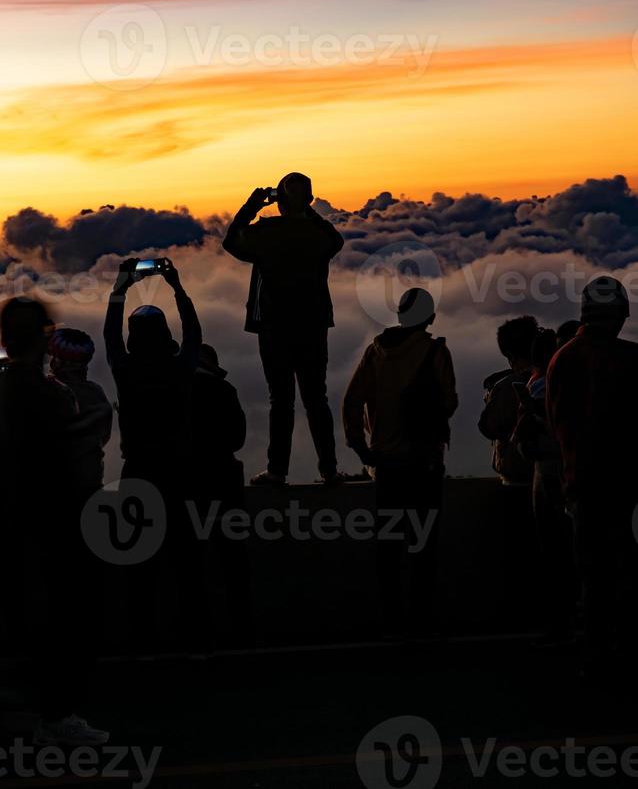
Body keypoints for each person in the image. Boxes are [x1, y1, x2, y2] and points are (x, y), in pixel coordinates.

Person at [0, 297, 108, 746]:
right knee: (57, 626)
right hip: (46, 526)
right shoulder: (46, 395)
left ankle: (33, 711)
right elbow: (56, 465)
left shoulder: (3, 388)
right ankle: (54, 717)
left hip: (11, 524)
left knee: (25, 621)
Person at [342, 288, 458, 636]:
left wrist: (360, 447)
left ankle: (392, 621)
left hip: (386, 466)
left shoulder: (375, 352)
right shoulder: (435, 351)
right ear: (429, 317)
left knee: (389, 549)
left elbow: (351, 401)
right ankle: (421, 622)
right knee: (424, 549)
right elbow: (449, 402)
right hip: (424, 464)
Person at [103, 257, 203, 651]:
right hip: (180, 470)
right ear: (165, 335)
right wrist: (177, 287)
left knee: (140, 559)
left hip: (139, 470)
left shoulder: (124, 371)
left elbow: (109, 335)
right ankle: (190, 636)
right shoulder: (181, 369)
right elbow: (194, 333)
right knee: (185, 558)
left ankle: (142, 636)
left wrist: (119, 289)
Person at [223, 173, 344, 485]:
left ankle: (277, 471)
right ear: (308, 200)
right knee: (317, 399)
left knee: (281, 401)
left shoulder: (267, 232)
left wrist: (251, 206)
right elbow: (336, 240)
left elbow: (231, 241)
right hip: (313, 327)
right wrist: (308, 209)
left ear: (280, 202)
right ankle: (329, 469)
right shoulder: (317, 236)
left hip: (274, 328)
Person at [547, 276, 638, 682]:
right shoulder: (630, 359)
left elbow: (557, 423)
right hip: (624, 484)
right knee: (623, 571)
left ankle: (597, 656)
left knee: (593, 574)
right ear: (620, 314)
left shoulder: (561, 359)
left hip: (579, 481)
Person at [512, 328, 577, 646]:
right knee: (567, 551)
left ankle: (562, 623)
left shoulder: (538, 383)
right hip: (565, 470)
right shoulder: (558, 378)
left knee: (555, 552)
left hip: (549, 471)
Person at [188, 344, 253, 648]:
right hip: (226, 483)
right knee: (234, 566)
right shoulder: (225, 391)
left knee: (194, 569)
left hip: (191, 485)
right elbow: (238, 438)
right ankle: (243, 632)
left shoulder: (178, 393)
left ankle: (201, 634)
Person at [48, 328, 113, 498]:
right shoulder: (97, 395)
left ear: (58, 361)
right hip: (91, 487)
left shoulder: (46, 391)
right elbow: (104, 437)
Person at [479, 316, 539, 487]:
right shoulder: (552, 377)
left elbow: (488, 427)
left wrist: (491, 400)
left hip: (516, 475)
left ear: (510, 355)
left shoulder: (506, 386)